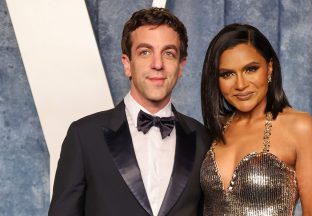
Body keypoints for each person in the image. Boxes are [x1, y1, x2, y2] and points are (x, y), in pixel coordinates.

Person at [49, 7, 210, 216]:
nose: (158, 64)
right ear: (127, 64)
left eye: (168, 53)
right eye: (145, 52)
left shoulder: (202, 139)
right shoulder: (84, 136)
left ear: (180, 67)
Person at [200, 23, 312, 216]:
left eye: (250, 69)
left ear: (269, 68)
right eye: (227, 74)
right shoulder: (215, 130)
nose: (241, 84)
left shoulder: (300, 127)